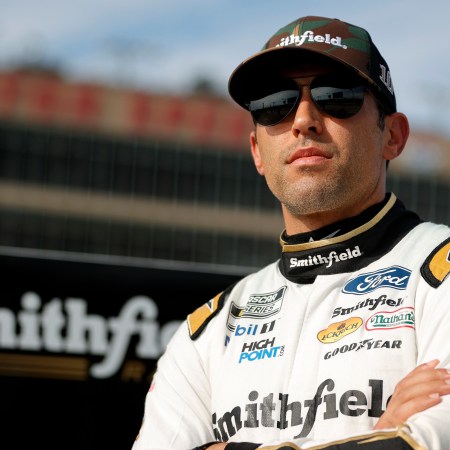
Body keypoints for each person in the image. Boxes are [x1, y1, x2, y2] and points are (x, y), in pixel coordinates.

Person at [131, 15, 450, 450]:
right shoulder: (207, 331)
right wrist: (377, 436)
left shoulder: (439, 273)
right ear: (257, 152)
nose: (303, 119)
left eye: (336, 96)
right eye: (274, 102)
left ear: (392, 135)